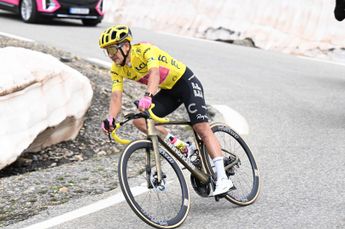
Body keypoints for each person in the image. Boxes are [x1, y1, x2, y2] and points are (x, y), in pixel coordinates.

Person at [99, 24, 233, 196]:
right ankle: (183, 147)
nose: (111, 55)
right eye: (107, 51)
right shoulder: (117, 69)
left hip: (186, 83)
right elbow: (116, 96)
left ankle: (223, 178)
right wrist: (110, 118)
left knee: (201, 127)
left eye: (112, 49)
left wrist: (148, 96)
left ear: (125, 46)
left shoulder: (146, 50)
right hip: (169, 91)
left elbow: (154, 73)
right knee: (140, 121)